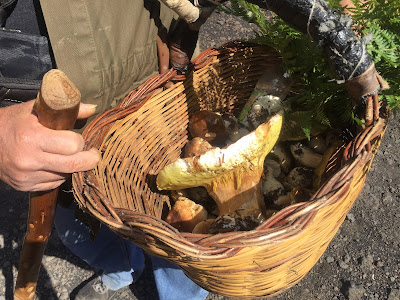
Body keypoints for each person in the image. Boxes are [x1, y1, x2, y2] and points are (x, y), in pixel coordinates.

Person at [1, 0, 208, 299]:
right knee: (82, 222)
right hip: (45, 100)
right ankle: (121, 269)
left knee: (184, 226)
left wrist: (183, 23)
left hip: (149, 55)